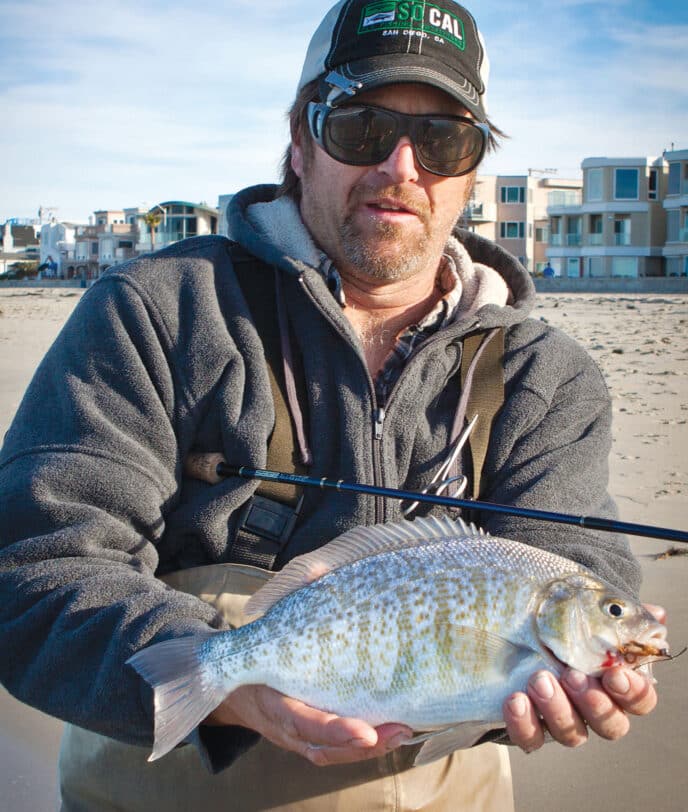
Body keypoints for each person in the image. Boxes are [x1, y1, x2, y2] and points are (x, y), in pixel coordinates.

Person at [0, 2, 662, 810]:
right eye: (360, 127)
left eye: (446, 140)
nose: (402, 168)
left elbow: (574, 560)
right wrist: (228, 686)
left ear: (472, 173)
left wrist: (575, 683)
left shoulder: (544, 377)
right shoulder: (156, 312)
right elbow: (35, 565)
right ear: (300, 141)